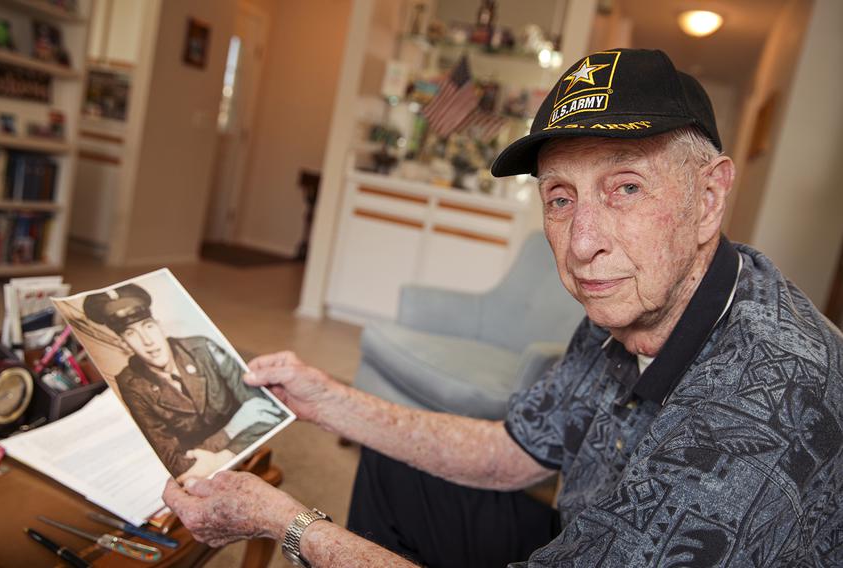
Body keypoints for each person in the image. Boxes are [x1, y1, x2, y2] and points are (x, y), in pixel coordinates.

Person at [163, 48, 843, 567]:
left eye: (626, 187)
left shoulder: (761, 405)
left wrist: (285, 523)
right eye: (560, 197)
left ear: (710, 197)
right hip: (588, 531)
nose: (582, 244)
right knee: (395, 467)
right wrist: (329, 400)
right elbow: (517, 451)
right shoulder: (635, 298)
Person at [83, 283, 287, 479]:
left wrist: (223, 457)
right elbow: (174, 463)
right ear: (123, 344)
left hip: (220, 461)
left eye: (148, 326)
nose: (147, 341)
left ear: (160, 327)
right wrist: (232, 429)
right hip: (206, 466)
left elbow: (267, 411)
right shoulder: (132, 384)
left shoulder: (203, 348)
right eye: (131, 334)